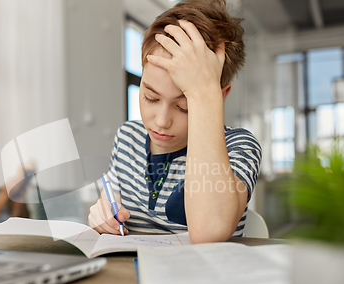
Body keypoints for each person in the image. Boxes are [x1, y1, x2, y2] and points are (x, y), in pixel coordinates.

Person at [88, 0, 262, 243]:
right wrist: (101, 218)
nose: (161, 121)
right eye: (150, 97)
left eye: (184, 107)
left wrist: (202, 93)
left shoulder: (239, 145)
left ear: (218, 97)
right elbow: (111, 207)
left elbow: (209, 233)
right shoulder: (128, 137)